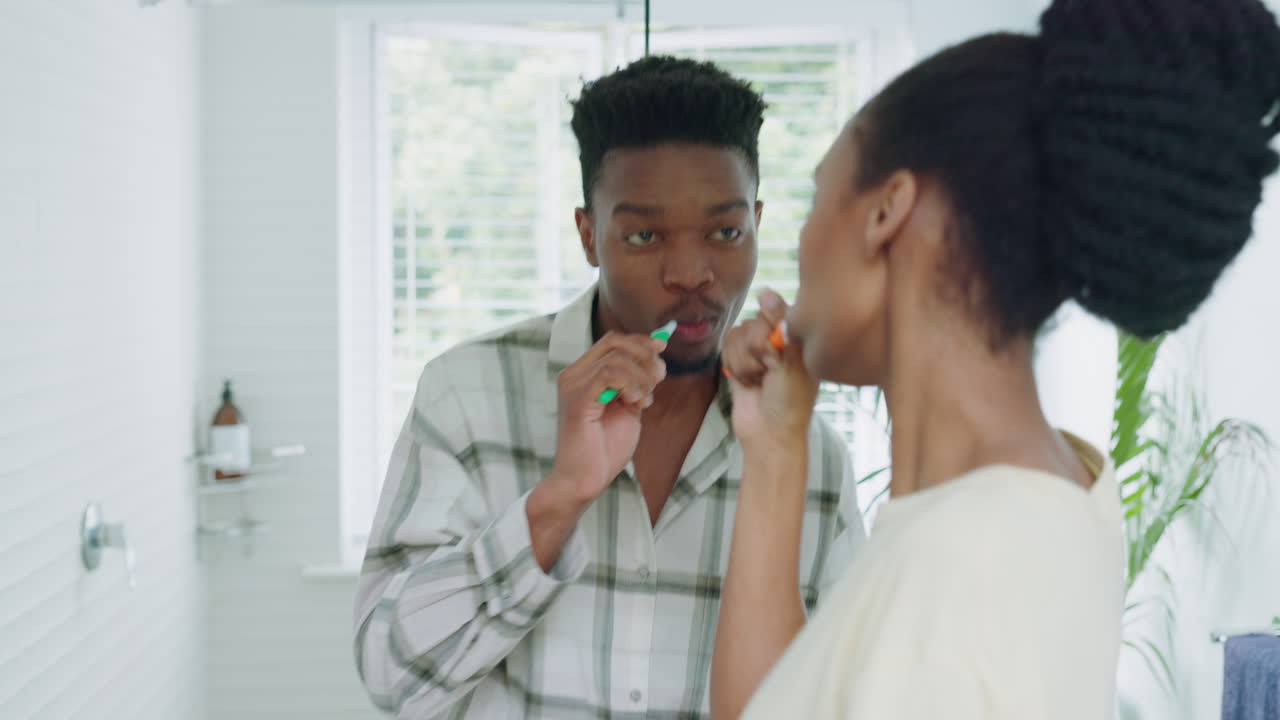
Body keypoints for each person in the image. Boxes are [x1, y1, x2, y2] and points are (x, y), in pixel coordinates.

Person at [710, 0, 1280, 717]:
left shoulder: (965, 561)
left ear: (887, 211)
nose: (799, 247)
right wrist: (775, 449)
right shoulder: (1043, 490)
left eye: (818, 195)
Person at [352, 56, 866, 719]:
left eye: (726, 231)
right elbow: (391, 679)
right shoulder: (466, 396)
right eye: (645, 235)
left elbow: (841, 698)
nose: (690, 272)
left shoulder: (809, 458)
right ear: (590, 236)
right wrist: (556, 503)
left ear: (757, 223)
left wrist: (775, 460)